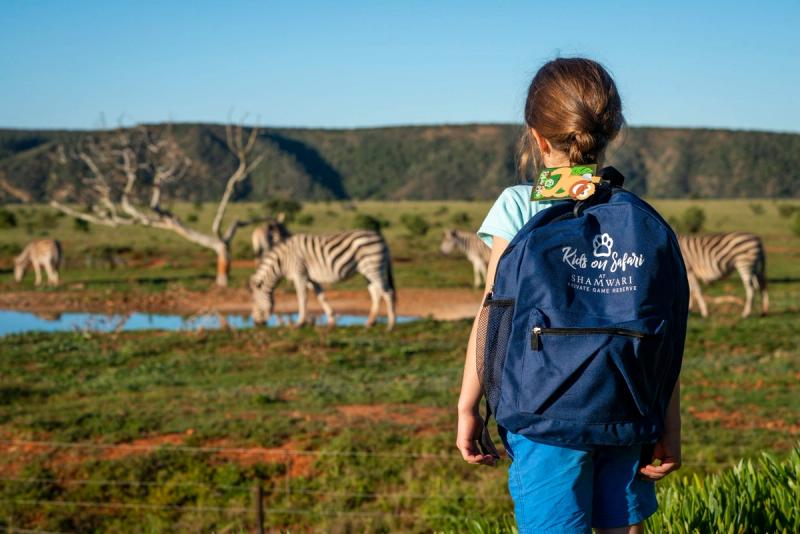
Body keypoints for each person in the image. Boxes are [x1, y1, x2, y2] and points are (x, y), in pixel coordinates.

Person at [456, 58, 682, 534]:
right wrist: (667, 424)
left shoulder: (517, 204)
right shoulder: (635, 220)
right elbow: (659, 333)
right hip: (625, 409)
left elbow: (491, 315)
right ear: (611, 130)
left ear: (536, 136)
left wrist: (467, 406)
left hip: (543, 416)